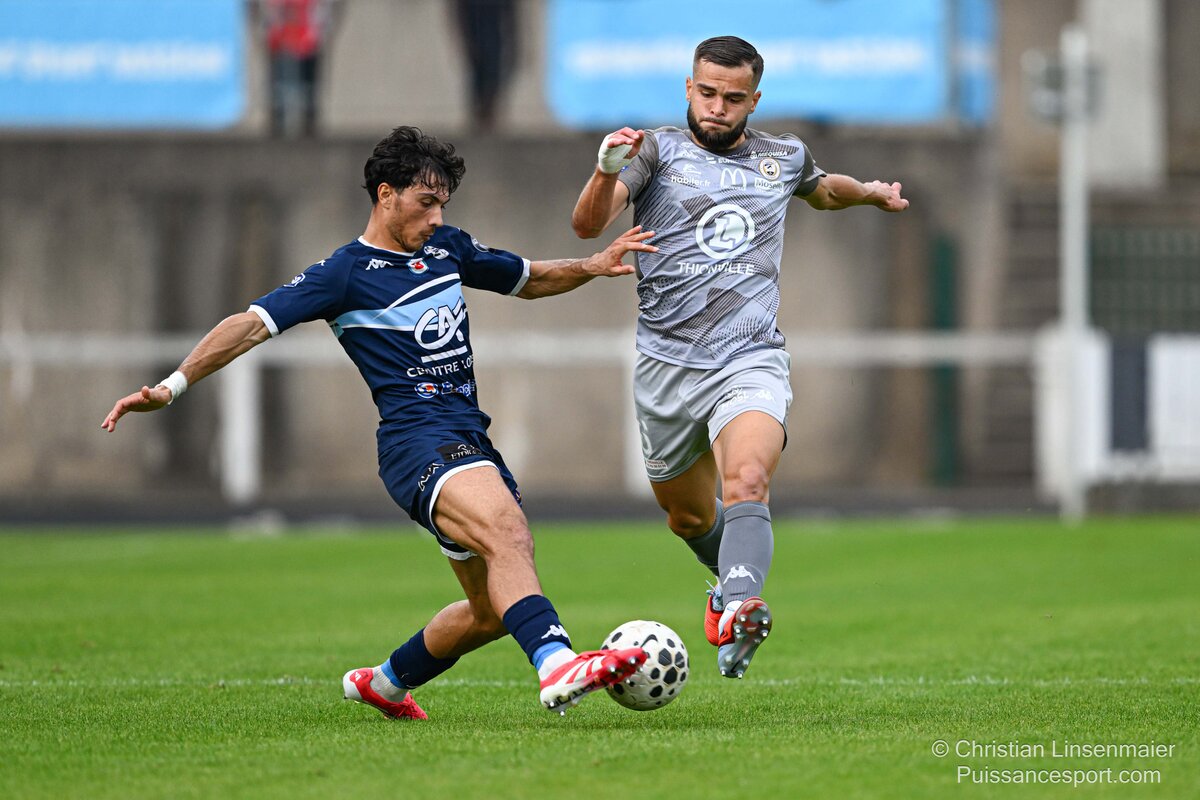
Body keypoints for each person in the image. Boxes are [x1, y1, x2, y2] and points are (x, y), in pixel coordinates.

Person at [101, 126, 655, 717]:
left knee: (492, 611)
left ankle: (384, 683)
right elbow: (249, 324)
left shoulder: (447, 248)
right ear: (385, 194)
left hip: (468, 436)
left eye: (443, 204)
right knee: (509, 533)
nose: (437, 217)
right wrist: (172, 386)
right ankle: (557, 663)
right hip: (417, 443)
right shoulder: (343, 273)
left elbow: (529, 279)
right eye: (426, 202)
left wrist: (591, 265)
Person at [570, 36, 909, 680]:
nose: (717, 107)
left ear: (754, 100)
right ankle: (726, 586)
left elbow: (823, 190)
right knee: (688, 516)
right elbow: (588, 226)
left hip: (749, 358)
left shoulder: (784, 157)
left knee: (748, 480)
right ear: (689, 88)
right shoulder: (656, 152)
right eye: (707, 93)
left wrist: (869, 193)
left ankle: (738, 607)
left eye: (732, 97)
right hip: (666, 366)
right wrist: (606, 169)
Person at [252, 0, 342, 138]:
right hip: (277, 35)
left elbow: (327, 9)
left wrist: (321, 29)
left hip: (310, 36)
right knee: (278, 82)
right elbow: (260, 10)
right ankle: (278, 119)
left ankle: (309, 120)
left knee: (309, 82)